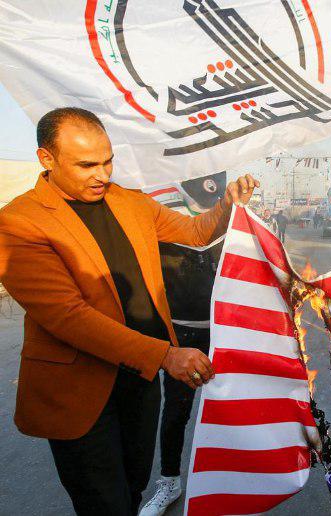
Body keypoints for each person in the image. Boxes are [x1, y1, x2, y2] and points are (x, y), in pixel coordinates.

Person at [0, 107, 259, 515]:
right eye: (87, 165)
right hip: (81, 389)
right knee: (105, 504)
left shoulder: (127, 201)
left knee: (134, 488)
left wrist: (227, 204)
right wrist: (165, 355)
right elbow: (68, 317)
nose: (102, 174)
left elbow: (194, 231)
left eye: (107, 161)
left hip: (139, 380)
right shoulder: (19, 222)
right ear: (46, 159)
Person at [140, 173, 227, 516]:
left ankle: (231, 478)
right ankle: (169, 481)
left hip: (226, 330)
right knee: (177, 411)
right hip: (182, 333)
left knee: (231, 406)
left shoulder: (230, 208)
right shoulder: (160, 203)